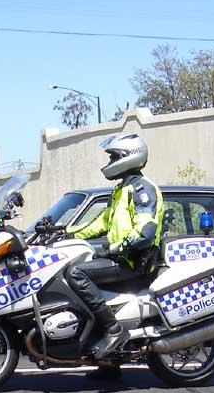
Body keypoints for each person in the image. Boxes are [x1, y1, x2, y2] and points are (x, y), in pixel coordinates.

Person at [66, 133, 164, 358]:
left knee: (76, 273)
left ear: (127, 157)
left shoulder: (142, 189)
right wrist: (66, 233)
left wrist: (120, 247)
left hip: (133, 261)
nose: (109, 162)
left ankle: (113, 329)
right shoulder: (121, 190)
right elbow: (101, 222)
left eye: (113, 157)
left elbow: (145, 231)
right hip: (121, 258)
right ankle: (107, 360)